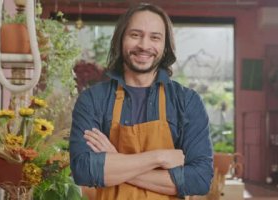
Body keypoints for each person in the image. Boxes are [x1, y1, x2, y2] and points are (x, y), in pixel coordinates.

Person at [70, 3, 213, 199]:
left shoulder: (186, 101)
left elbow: (200, 179)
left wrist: (115, 162)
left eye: (155, 37)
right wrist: (159, 158)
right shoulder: (93, 100)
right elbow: (83, 170)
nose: (144, 46)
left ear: (165, 46)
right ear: (121, 39)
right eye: (135, 35)